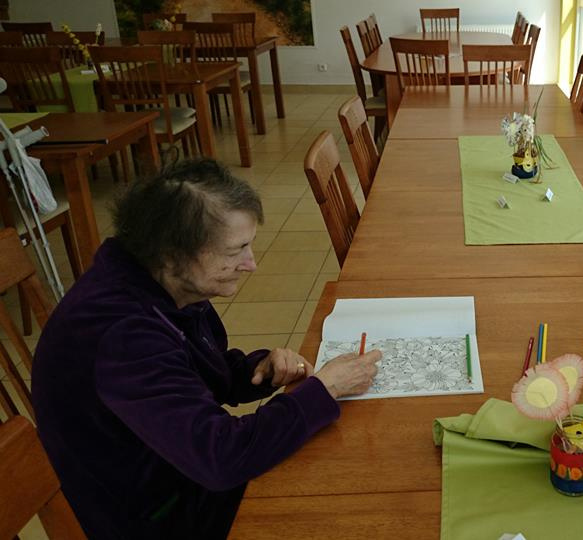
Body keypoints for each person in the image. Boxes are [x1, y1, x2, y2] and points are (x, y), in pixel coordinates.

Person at [31, 158, 381, 539]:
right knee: (351, 494)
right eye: (236, 251)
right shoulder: (123, 338)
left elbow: (195, 370)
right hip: (160, 515)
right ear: (174, 254)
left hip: (181, 468)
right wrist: (325, 389)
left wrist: (257, 370)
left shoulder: (161, 279)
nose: (251, 264)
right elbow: (221, 457)